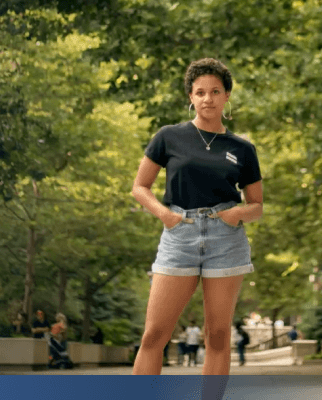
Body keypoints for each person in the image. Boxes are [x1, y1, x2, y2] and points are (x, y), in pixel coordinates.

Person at [130, 58, 263, 377]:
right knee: (153, 336)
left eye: (215, 91)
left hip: (225, 239)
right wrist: (165, 215)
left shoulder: (242, 149)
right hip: (180, 235)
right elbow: (140, 187)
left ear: (226, 96)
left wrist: (236, 214)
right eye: (200, 92)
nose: (208, 98)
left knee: (217, 336)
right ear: (190, 96)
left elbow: (257, 205)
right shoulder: (169, 137)